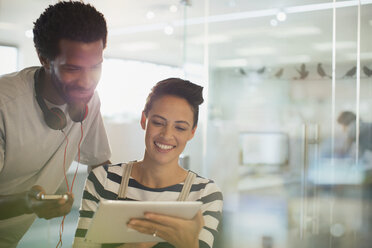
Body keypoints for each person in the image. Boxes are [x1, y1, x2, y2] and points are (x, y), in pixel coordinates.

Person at [0, 1, 111, 247]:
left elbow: (100, 165)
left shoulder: (89, 101)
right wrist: (27, 203)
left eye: (96, 67)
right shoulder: (4, 104)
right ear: (45, 59)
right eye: (73, 68)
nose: (86, 82)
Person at [73, 78, 223, 248]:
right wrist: (141, 244)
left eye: (180, 128)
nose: (166, 135)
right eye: (158, 123)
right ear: (144, 120)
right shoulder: (104, 180)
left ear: (192, 132)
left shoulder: (205, 194)